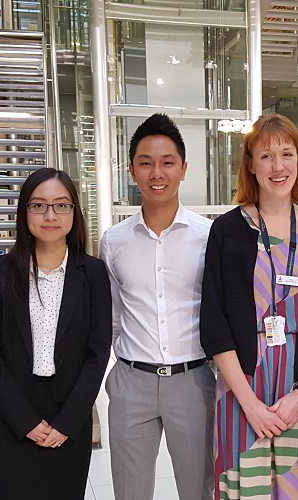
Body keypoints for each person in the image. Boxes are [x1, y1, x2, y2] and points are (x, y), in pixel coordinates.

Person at [200, 113, 298, 499]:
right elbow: (214, 324)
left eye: (287, 153)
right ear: (250, 164)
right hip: (241, 388)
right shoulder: (227, 231)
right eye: (266, 156)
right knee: (246, 489)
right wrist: (250, 404)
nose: (278, 167)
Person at [0, 168, 111, 499]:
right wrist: (24, 421)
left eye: (61, 205)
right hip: (12, 413)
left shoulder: (91, 273)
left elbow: (97, 353)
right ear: (25, 212)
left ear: (74, 213)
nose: (50, 215)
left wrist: (69, 421)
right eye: (38, 206)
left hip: (70, 412)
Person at [100, 113, 215, 500]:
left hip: (195, 383)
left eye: (167, 163)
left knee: (200, 490)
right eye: (146, 163)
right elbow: (114, 316)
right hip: (132, 382)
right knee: (130, 493)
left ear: (184, 169)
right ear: (132, 170)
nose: (157, 173)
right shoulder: (114, 241)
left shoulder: (209, 237)